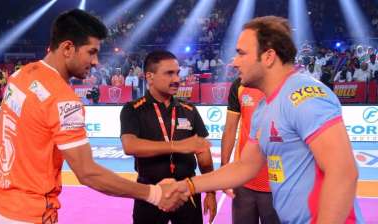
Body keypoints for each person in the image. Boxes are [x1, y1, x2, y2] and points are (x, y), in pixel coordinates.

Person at [0, 9, 186, 224]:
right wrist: (155, 194)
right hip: (31, 214)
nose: (95, 61)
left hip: (0, 205)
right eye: (91, 52)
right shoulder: (63, 100)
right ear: (67, 48)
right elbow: (88, 173)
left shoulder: (21, 75)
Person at [169, 16, 364, 223]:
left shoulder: (305, 95)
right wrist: (187, 185)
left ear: (269, 56)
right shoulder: (264, 107)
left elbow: (343, 172)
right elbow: (245, 167)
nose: (234, 62)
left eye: (242, 53)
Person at [120, 50, 217, 224]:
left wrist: (210, 192)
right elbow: (130, 146)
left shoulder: (189, 110)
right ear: (149, 77)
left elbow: (204, 157)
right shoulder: (133, 109)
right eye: (169, 73)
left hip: (188, 190)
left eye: (178, 73)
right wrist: (177, 146)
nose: (177, 79)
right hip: (150, 192)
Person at [221, 78, 279, 224]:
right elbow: (230, 129)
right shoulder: (239, 84)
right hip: (243, 180)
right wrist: (224, 168)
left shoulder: (287, 83)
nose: (235, 62)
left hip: (278, 183)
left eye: (242, 54)